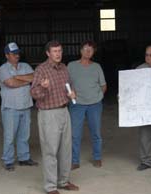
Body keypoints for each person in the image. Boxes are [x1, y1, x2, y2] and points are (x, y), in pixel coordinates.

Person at [31, 40, 79, 194]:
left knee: (66, 149)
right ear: (48, 53)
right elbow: (34, 93)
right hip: (49, 114)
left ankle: (63, 181)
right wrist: (42, 88)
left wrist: (72, 93)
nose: (58, 54)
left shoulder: (64, 68)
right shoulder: (41, 70)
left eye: (60, 51)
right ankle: (50, 186)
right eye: (55, 51)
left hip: (64, 111)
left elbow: (70, 85)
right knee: (50, 150)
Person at [0, 42, 38, 171]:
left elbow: (35, 77)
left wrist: (18, 77)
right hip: (10, 108)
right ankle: (8, 160)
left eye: (17, 53)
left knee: (24, 135)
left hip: (25, 105)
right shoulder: (2, 69)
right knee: (9, 136)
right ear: (6, 55)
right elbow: (11, 83)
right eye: (13, 54)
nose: (17, 56)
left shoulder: (25, 66)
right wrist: (26, 81)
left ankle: (23, 158)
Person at [67, 40, 107, 170]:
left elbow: (103, 85)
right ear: (80, 51)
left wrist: (98, 96)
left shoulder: (97, 67)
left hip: (95, 104)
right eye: (85, 49)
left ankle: (97, 157)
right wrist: (69, 93)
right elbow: (65, 83)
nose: (88, 51)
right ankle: (75, 160)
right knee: (75, 134)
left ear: (93, 52)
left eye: (91, 49)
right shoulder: (71, 66)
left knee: (96, 132)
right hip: (77, 104)